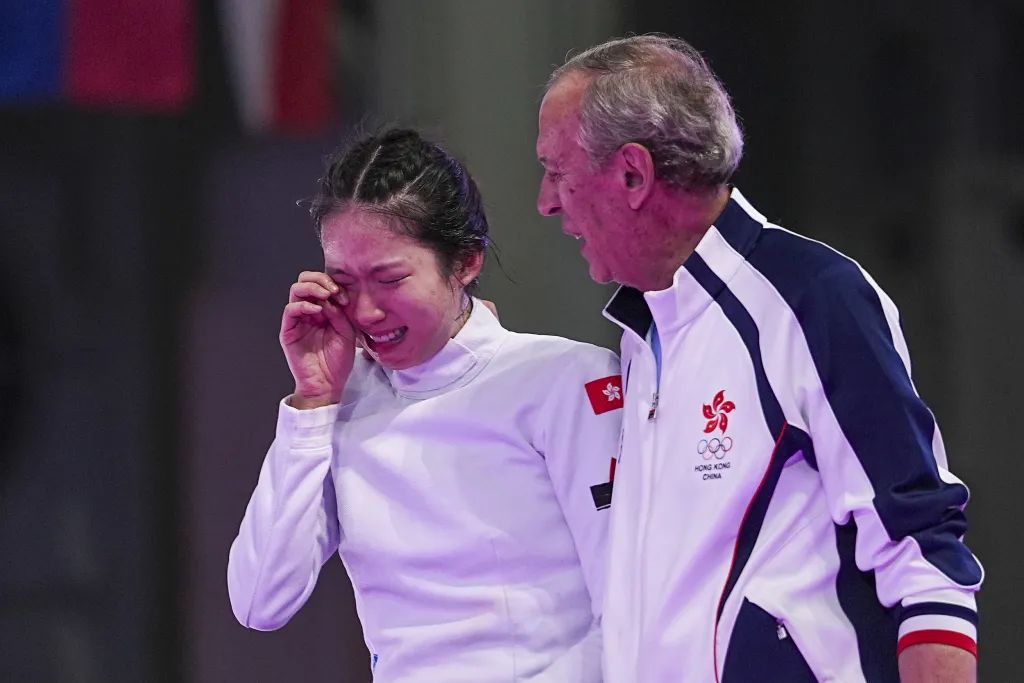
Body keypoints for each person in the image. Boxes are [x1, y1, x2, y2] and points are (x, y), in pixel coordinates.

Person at [536, 35, 983, 683]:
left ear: (632, 174)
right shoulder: (647, 335)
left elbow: (922, 548)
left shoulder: (813, 298)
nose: (546, 201)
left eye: (557, 170)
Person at [228, 128, 622, 682]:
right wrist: (312, 403)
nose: (366, 312)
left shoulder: (567, 381)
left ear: (466, 262)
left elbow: (629, 613)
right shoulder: (338, 405)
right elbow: (259, 601)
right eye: (343, 282)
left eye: (390, 279)